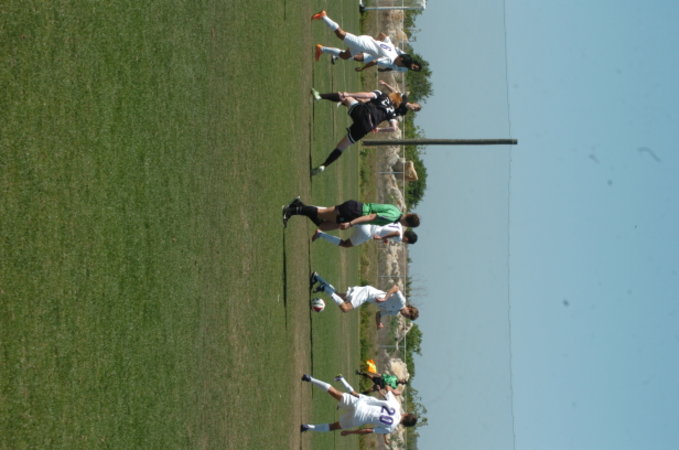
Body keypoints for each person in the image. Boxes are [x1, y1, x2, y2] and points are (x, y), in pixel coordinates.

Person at [309, 88, 421, 175]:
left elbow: (367, 95)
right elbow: (394, 128)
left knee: (344, 97)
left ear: (392, 95)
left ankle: (319, 96)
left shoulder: (382, 94)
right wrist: (379, 129)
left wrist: (349, 94)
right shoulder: (392, 113)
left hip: (364, 113)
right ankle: (324, 166)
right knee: (341, 147)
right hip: (367, 127)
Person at [300, 373, 417, 439]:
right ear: (405, 425)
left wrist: (387, 387)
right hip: (359, 418)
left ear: (406, 414)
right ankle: (307, 427)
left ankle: (310, 379)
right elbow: (368, 430)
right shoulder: (391, 428)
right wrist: (350, 432)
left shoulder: (396, 405)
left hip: (361, 404)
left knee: (334, 392)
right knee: (333, 426)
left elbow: (387, 388)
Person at [311, 10, 421, 73]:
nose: (399, 65)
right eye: (401, 64)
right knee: (340, 34)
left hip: (366, 41)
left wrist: (374, 42)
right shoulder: (390, 60)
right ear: (400, 59)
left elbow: (383, 36)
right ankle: (323, 16)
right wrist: (362, 69)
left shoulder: (392, 49)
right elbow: (374, 62)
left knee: (345, 56)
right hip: (362, 44)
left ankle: (321, 49)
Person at [309, 272, 419, 329]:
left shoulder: (395, 312)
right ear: (409, 308)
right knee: (345, 308)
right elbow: (395, 288)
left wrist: (378, 323)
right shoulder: (401, 301)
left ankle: (317, 278)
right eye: (408, 314)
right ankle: (324, 288)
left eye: (407, 317)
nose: (405, 316)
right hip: (367, 293)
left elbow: (378, 314)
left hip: (366, 295)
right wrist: (385, 297)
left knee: (338, 296)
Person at [282, 197, 420, 231]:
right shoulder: (393, 216)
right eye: (406, 225)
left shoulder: (396, 210)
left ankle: (298, 205)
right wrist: (350, 223)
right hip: (355, 212)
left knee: (324, 226)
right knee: (321, 213)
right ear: (407, 222)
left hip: (355, 209)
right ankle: (290, 211)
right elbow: (371, 217)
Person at [312, 222, 418, 248]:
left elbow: (387, 229)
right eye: (406, 242)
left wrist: (384, 238)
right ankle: (320, 234)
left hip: (369, 223)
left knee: (343, 223)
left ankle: (318, 215)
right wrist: (382, 237)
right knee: (345, 244)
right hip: (367, 232)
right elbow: (396, 233)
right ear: (407, 239)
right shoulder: (400, 236)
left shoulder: (399, 224)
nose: (404, 242)